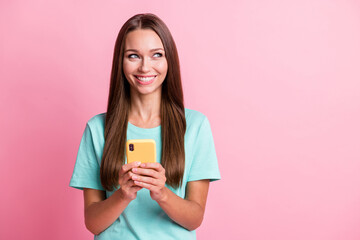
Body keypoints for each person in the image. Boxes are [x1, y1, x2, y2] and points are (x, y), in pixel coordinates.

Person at [69, 13, 220, 240]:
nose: (145, 67)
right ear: (121, 62)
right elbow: (93, 223)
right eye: (133, 56)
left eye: (156, 55)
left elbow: (194, 218)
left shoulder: (195, 126)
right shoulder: (98, 129)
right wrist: (123, 195)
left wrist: (162, 194)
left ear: (169, 60)